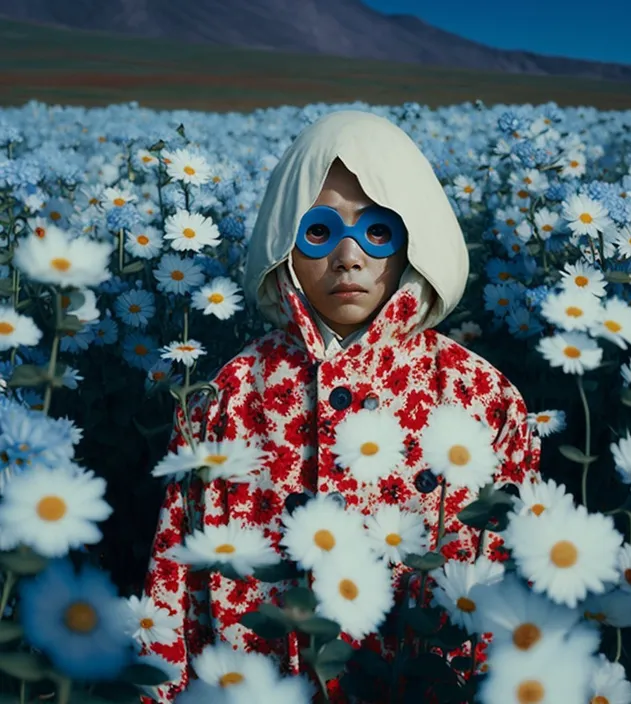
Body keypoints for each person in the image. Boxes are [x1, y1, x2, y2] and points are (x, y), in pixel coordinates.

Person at [140, 109, 541, 703]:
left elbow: (517, 587)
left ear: (416, 239)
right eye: (320, 232)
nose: (349, 258)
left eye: (378, 231)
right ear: (283, 245)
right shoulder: (230, 395)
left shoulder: (480, 395)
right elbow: (177, 587)